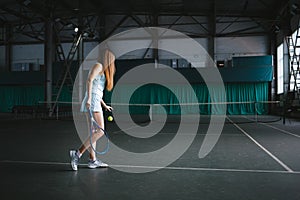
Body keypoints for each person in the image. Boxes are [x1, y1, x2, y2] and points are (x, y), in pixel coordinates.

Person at [70, 49, 116, 171]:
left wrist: (104, 105)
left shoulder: (104, 70)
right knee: (100, 131)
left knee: (93, 132)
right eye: (112, 59)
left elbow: (97, 89)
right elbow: (89, 80)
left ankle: (92, 160)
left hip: (95, 99)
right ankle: (77, 153)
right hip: (92, 100)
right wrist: (89, 98)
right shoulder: (98, 65)